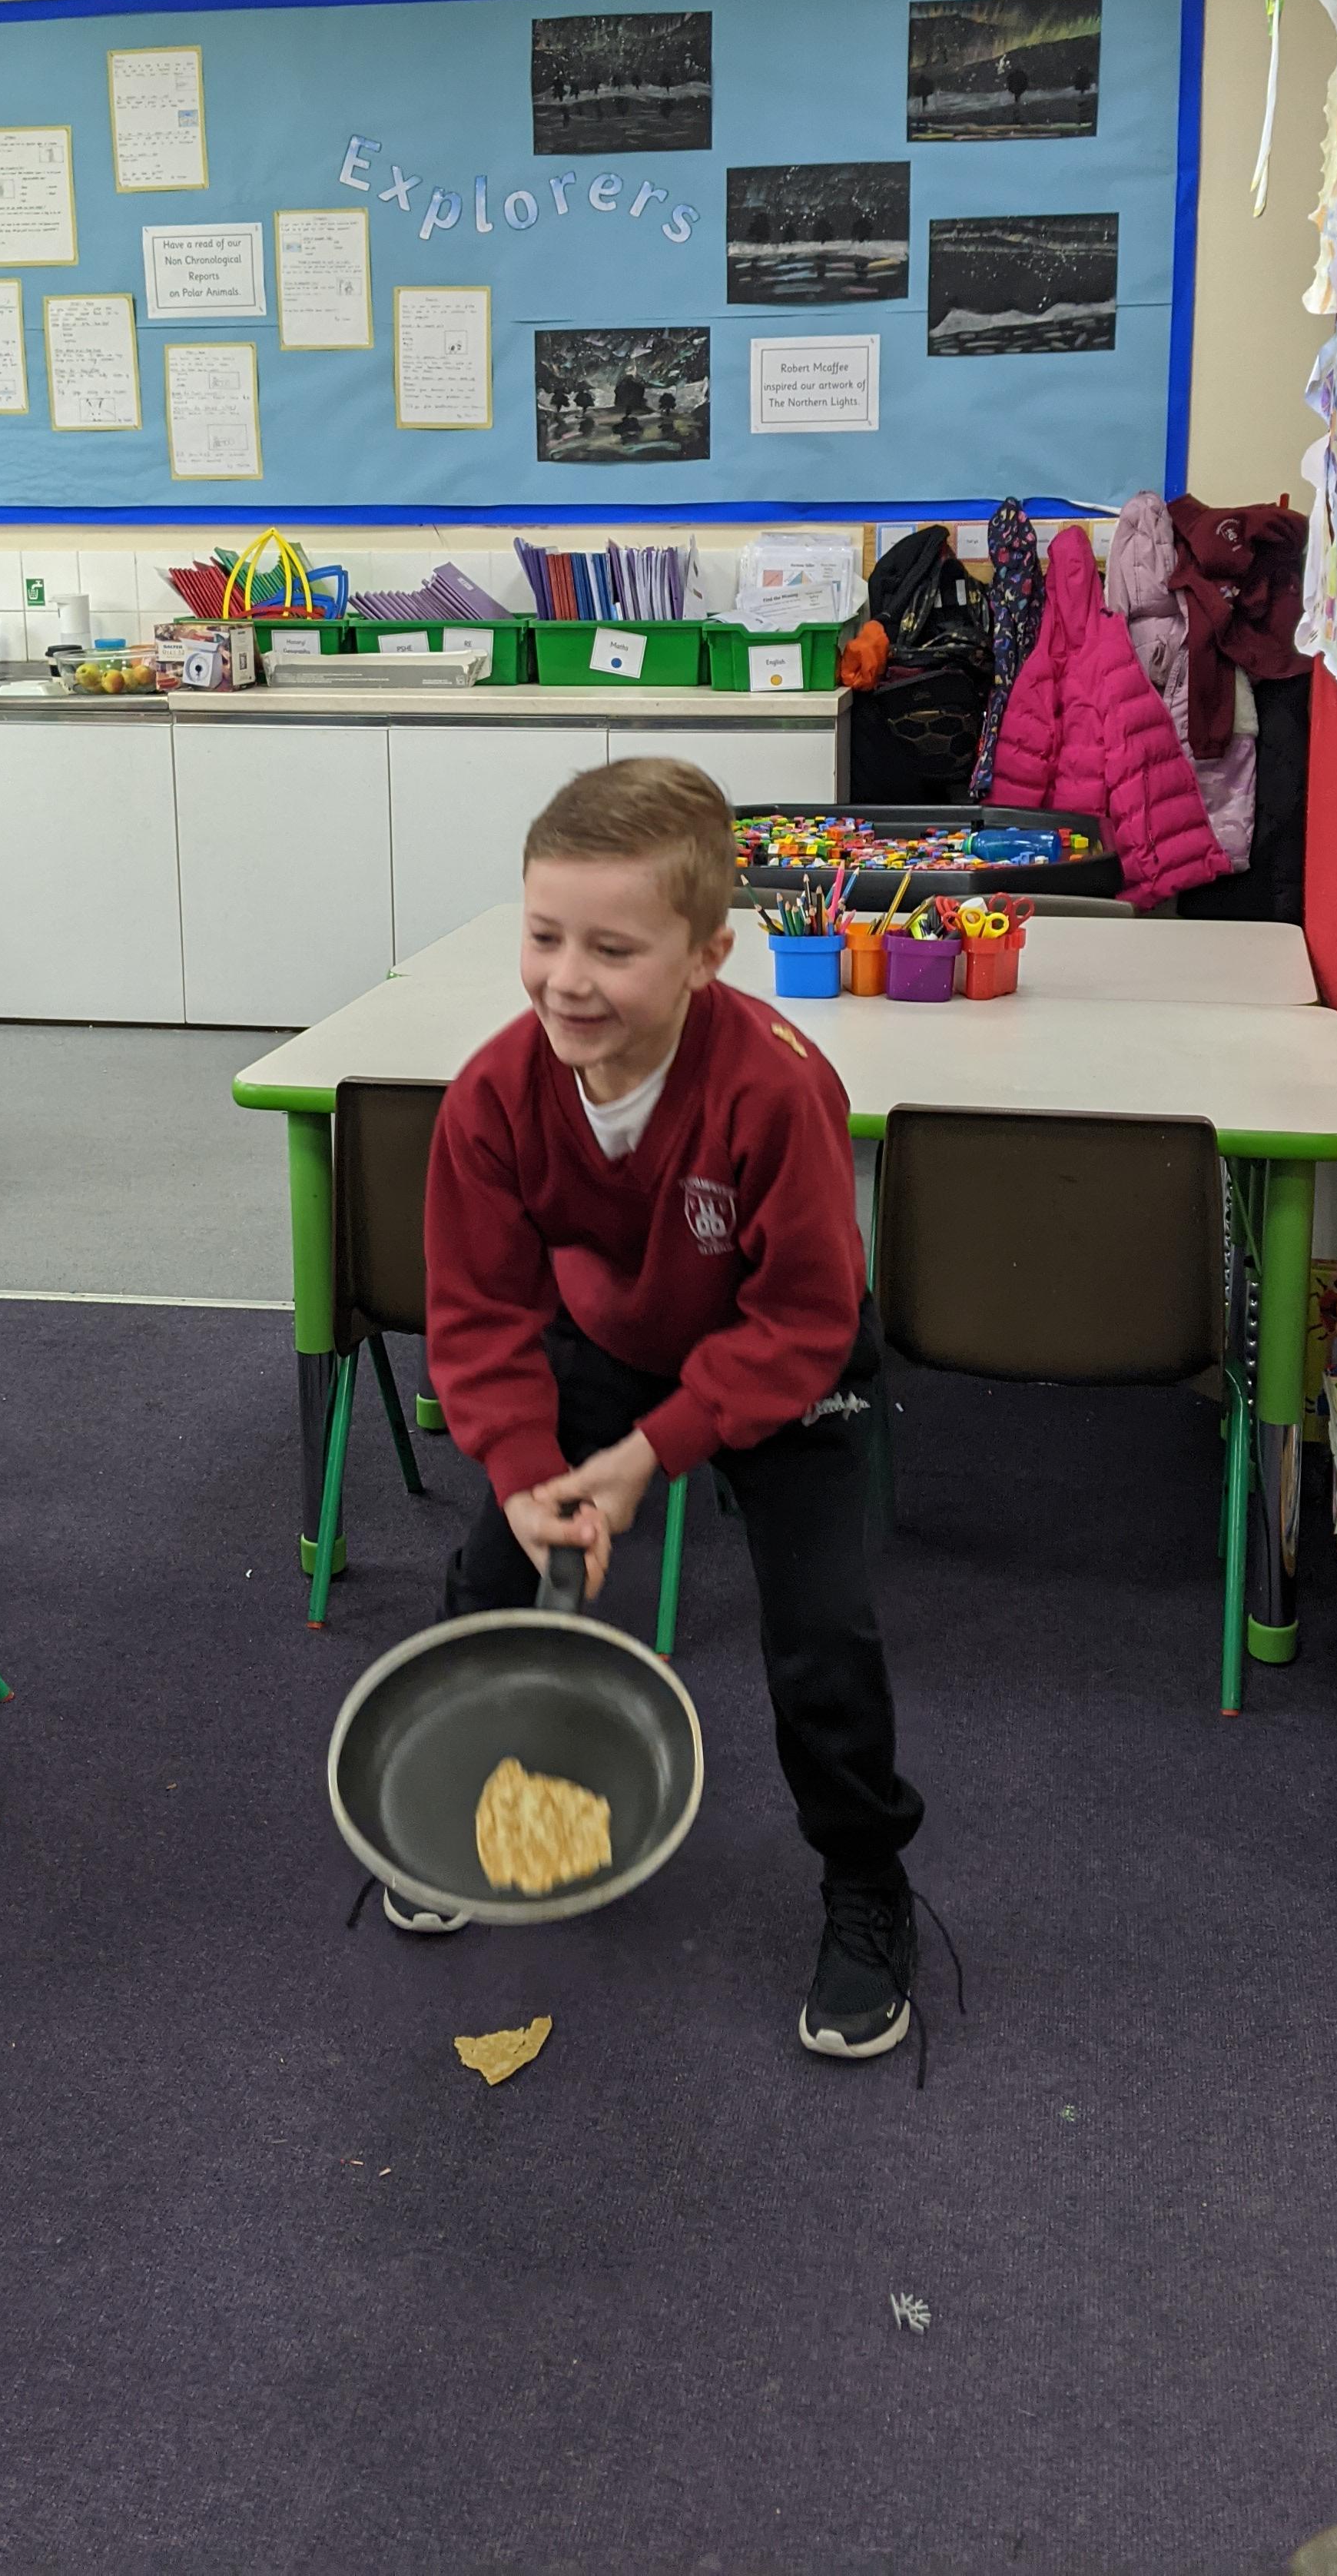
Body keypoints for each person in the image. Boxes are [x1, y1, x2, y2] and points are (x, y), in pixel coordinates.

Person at [410, 758, 931, 2063]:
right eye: (544, 937)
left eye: (613, 949)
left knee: (821, 1632)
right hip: (612, 1337)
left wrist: (659, 1451)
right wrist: (524, 1470)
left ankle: (866, 1881)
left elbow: (803, 1318)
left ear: (708, 956)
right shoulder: (494, 1095)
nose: (566, 981)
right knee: (493, 1573)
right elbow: (479, 1316)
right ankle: (471, 1796)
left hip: (786, 1356)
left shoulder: (776, 1088)